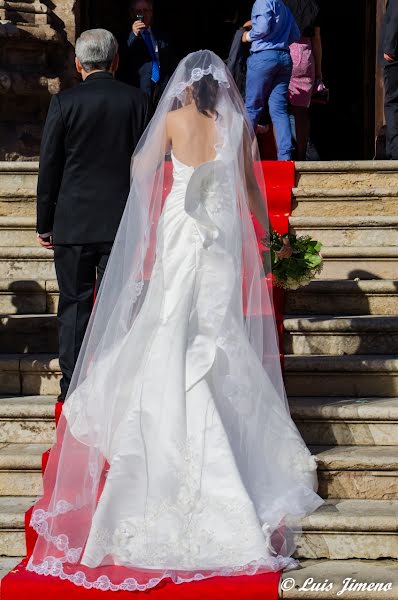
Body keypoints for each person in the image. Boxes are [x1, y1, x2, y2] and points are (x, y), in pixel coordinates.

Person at [28, 50, 323, 591]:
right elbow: (254, 189)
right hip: (220, 240)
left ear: (185, 90)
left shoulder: (169, 120)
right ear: (223, 92)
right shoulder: (234, 124)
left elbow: (141, 173)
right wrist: (273, 235)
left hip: (181, 236)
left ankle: (164, 427)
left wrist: (169, 174)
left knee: (171, 325)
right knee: (216, 331)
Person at [36, 29, 151, 402]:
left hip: (73, 223)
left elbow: (49, 167)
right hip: (122, 220)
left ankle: (72, 388)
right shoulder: (137, 101)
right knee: (120, 305)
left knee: (74, 306)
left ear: (77, 63)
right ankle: (118, 384)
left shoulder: (64, 103)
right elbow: (147, 164)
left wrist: (44, 222)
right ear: (116, 60)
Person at [242, 0, 300, 160]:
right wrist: (278, 38)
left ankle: (242, 156)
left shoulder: (263, 1)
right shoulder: (284, 7)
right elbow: (296, 35)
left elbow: (262, 27)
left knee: (253, 107)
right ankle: (285, 157)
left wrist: (248, 36)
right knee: (279, 110)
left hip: (263, 57)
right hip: (283, 57)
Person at [285, 0, 323, 160]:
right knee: (301, 112)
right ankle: (302, 156)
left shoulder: (279, 3)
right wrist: (319, 73)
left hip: (284, 50)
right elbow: (316, 40)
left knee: (279, 110)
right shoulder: (312, 5)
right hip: (304, 56)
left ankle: (285, 155)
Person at [127, 0, 175, 106]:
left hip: (162, 88)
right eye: (139, 11)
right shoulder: (128, 36)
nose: (143, 14)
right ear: (132, 14)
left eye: (146, 10)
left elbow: (169, 62)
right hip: (140, 89)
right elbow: (125, 53)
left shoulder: (162, 36)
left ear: (151, 13)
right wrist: (134, 34)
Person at [381, 0, 398, 159]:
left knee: (392, 102)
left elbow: (394, 17)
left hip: (395, 59)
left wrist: (389, 48)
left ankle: (395, 151)